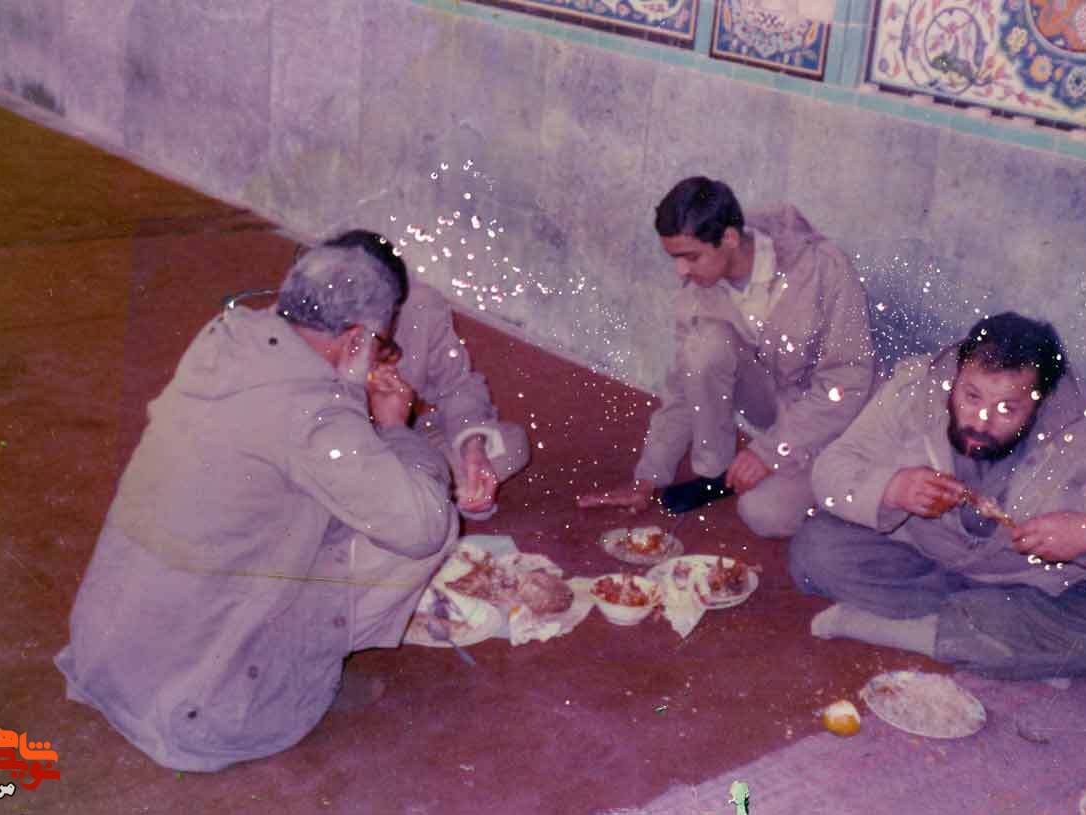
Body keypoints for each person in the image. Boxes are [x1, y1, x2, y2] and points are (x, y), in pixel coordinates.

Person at [55, 244, 457, 771]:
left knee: (320, 507)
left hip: (109, 658)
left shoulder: (227, 338)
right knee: (434, 519)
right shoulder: (313, 418)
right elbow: (422, 526)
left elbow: (277, 439)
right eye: (379, 342)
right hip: (195, 711)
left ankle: (277, 652)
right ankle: (296, 672)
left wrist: (348, 400)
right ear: (357, 338)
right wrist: (393, 429)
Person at [789, 312, 1086, 680]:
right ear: (957, 377)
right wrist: (891, 488)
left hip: (1022, 585)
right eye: (971, 396)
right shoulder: (918, 391)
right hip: (923, 560)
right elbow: (832, 468)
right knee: (815, 546)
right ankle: (992, 641)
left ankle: (893, 627)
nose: (980, 421)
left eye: (1007, 409)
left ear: (1041, 403)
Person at [578, 177, 874, 538]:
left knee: (764, 514)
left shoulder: (822, 268)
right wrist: (648, 477)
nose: (681, 271)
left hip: (833, 419)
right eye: (675, 258)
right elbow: (684, 386)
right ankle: (714, 474)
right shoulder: (699, 288)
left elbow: (847, 382)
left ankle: (850, 485)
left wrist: (771, 451)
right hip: (776, 409)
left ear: (730, 238)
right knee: (702, 346)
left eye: (691, 257)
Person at [321, 230, 530, 522]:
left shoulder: (421, 306)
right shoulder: (307, 322)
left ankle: (429, 493)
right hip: (334, 449)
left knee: (510, 442)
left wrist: (473, 447)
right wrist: (364, 397)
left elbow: (458, 386)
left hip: (405, 443)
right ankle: (423, 498)